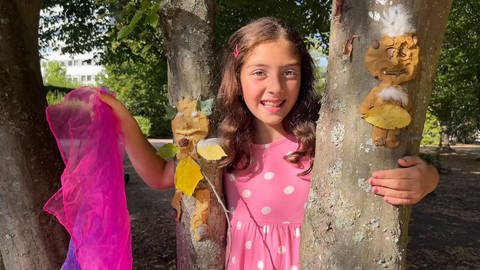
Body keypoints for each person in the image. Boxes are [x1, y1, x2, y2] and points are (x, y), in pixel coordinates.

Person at [100, 16, 439, 270]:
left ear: (302, 77)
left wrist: (427, 178)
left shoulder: (324, 144)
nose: (275, 87)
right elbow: (161, 175)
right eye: (259, 72)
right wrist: (123, 119)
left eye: (288, 72)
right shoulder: (221, 148)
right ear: (237, 77)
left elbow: (383, 173)